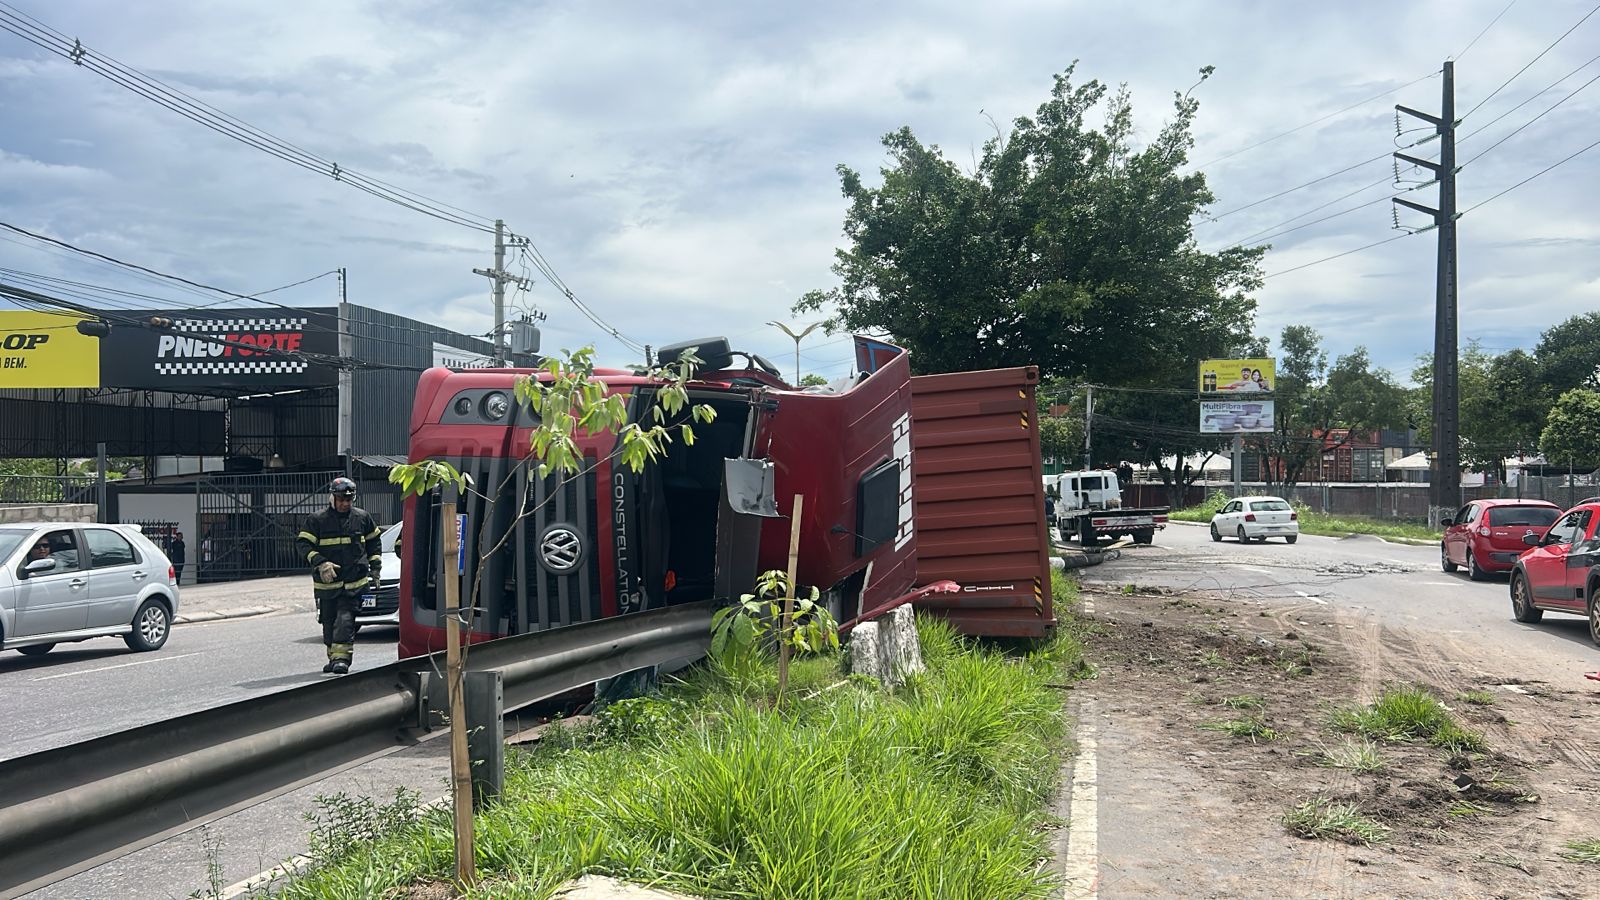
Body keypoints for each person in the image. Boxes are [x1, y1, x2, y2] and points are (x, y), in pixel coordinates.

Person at [295, 477, 382, 675]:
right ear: (332, 498)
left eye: (348, 500)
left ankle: (342, 659)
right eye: (341, 499)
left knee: (345, 619)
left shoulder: (362, 518)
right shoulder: (316, 520)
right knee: (328, 622)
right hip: (327, 584)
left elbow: (374, 543)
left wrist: (375, 567)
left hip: (354, 584)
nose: (344, 503)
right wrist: (320, 562)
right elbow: (302, 544)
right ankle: (333, 657)